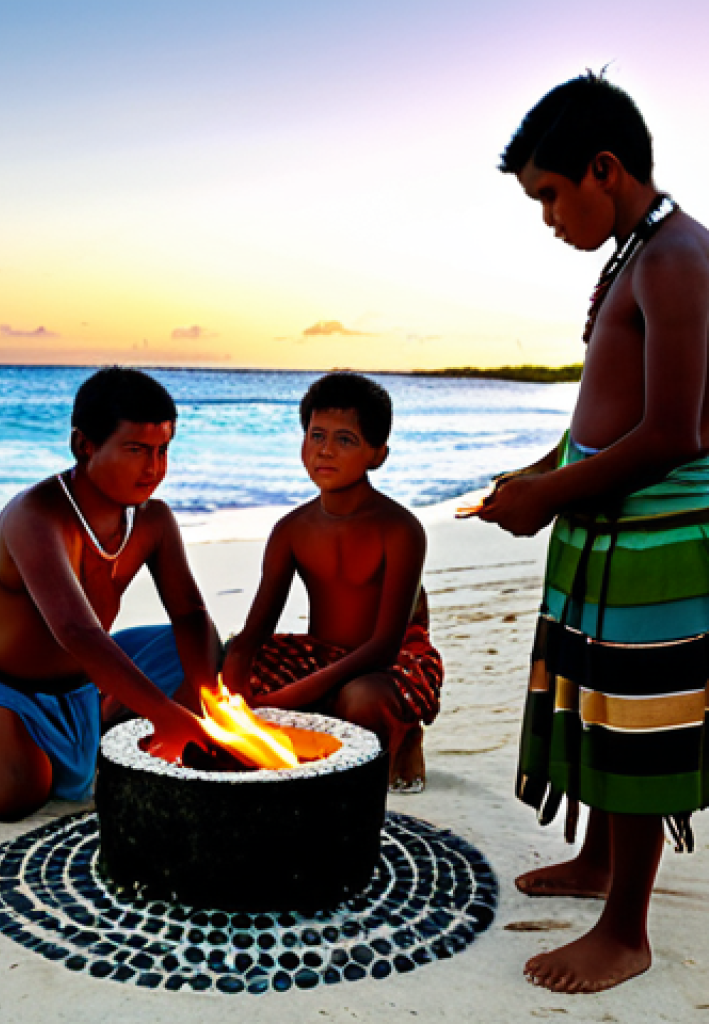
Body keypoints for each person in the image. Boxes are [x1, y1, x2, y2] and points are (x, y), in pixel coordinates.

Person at [474, 72, 709, 993]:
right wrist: (542, 475)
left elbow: (675, 432)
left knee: (634, 726)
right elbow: (603, 416)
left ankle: (626, 930)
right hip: (606, 530)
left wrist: (555, 494)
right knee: (595, 701)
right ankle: (601, 865)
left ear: (603, 170)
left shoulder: (677, 258)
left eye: (549, 194)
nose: (546, 217)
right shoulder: (636, 252)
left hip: (654, 539)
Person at [0, 367, 217, 821]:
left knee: (206, 650)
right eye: (136, 450)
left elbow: (190, 614)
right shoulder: (36, 515)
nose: (154, 468)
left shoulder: (153, 521)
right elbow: (76, 630)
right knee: (15, 791)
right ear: (84, 445)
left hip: (82, 681)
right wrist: (164, 713)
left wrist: (198, 697)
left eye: (163, 450)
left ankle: (110, 717)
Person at [222, 371, 443, 789]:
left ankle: (405, 729)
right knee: (229, 660)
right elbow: (256, 631)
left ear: (377, 454)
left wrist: (291, 697)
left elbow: (384, 645)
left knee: (358, 700)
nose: (325, 450)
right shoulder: (291, 529)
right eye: (316, 435)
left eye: (345, 440)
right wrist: (234, 686)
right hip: (321, 656)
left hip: (392, 663)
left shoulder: (399, 529)